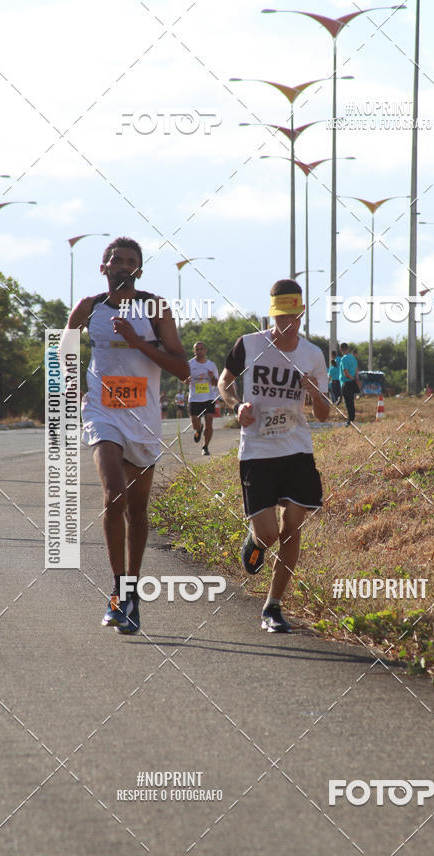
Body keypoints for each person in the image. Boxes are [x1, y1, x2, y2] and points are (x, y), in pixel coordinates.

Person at [64, 237, 189, 634]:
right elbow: (63, 353)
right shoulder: (88, 308)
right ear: (103, 267)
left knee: (137, 509)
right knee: (113, 494)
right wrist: (68, 388)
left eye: (130, 261)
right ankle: (118, 590)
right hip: (102, 413)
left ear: (139, 270)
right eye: (114, 259)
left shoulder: (156, 308)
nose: (121, 265)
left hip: (144, 419)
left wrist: (137, 342)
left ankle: (132, 590)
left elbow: (182, 368)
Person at [218, 279, 329, 633]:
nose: (285, 324)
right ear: (272, 314)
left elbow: (325, 414)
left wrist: (313, 392)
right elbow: (224, 381)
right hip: (256, 450)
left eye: (291, 317)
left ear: (301, 313)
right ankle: (255, 542)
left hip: (296, 449)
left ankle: (273, 606)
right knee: (268, 534)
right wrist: (236, 406)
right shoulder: (249, 345)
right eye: (279, 317)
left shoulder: (312, 355)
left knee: (293, 526)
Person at [186, 341, 219, 456]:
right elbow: (184, 380)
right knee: (195, 421)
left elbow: (216, 383)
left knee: (209, 420)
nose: (199, 351)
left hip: (209, 397)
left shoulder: (211, 365)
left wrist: (212, 377)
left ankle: (205, 447)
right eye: (197, 349)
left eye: (201, 349)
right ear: (194, 351)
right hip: (195, 398)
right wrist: (186, 380)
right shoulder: (189, 364)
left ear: (205, 350)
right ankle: (199, 429)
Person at [338, 342, 360, 426]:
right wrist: (355, 379)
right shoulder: (353, 358)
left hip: (346, 382)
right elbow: (357, 370)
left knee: (348, 402)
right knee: (351, 401)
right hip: (353, 382)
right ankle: (352, 418)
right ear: (348, 348)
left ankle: (350, 420)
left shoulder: (343, 359)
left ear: (341, 350)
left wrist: (351, 378)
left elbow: (345, 372)